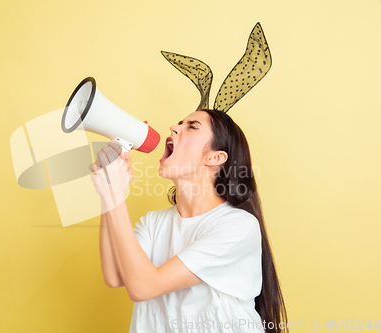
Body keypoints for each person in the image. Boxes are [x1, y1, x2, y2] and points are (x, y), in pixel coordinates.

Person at [87, 21, 287, 333]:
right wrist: (106, 193)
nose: (174, 128)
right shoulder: (154, 223)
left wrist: (115, 197)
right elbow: (115, 276)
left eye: (192, 126)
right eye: (180, 122)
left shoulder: (237, 227)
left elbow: (144, 287)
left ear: (215, 158)